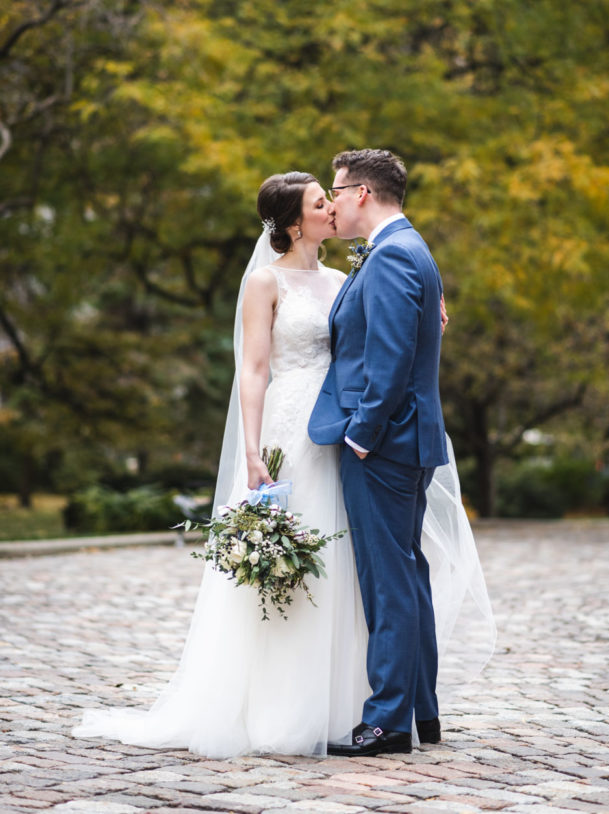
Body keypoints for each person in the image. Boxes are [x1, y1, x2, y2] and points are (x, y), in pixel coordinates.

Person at [73, 170, 494, 759]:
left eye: (333, 196)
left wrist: (430, 317)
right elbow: (253, 369)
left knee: (356, 570)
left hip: (345, 435)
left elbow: (380, 334)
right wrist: (251, 450)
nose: (331, 208)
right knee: (315, 565)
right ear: (295, 222)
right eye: (320, 203)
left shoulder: (350, 275)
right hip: (292, 429)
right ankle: (285, 702)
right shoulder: (264, 283)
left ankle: (359, 704)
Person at [309, 148, 454, 757]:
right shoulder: (407, 249)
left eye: (338, 190)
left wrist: (362, 436)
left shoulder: (393, 256)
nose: (334, 203)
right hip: (405, 442)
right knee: (408, 575)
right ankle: (422, 711)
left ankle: (388, 721)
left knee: (388, 581)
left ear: (362, 192)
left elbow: (390, 362)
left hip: (386, 446)